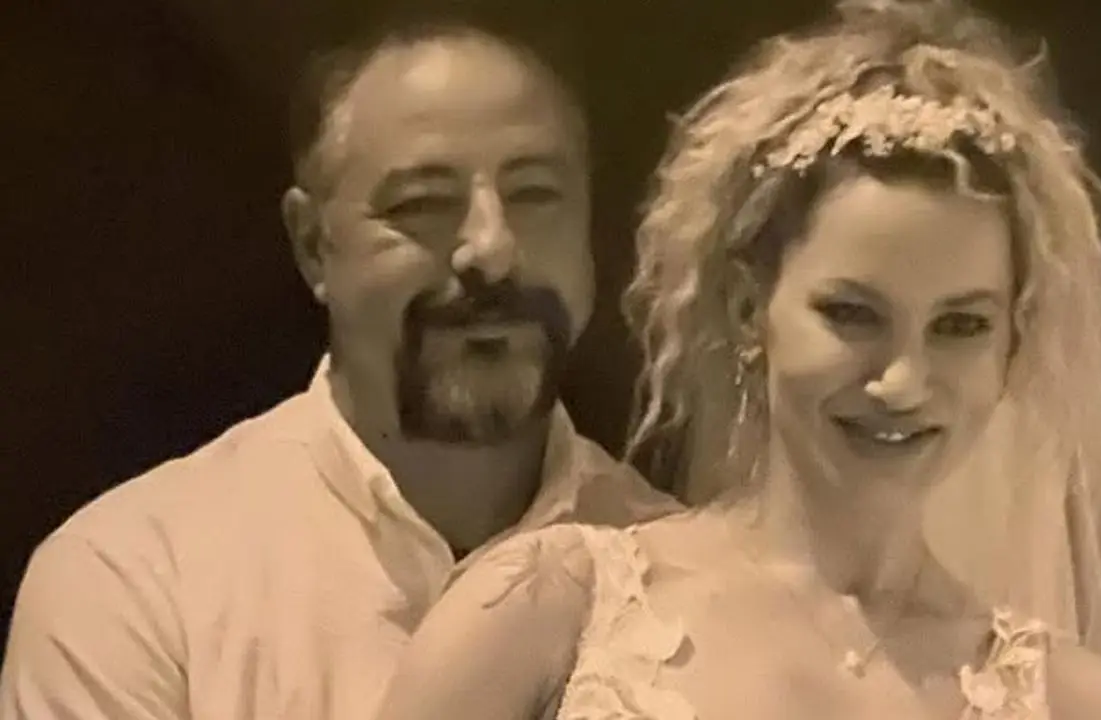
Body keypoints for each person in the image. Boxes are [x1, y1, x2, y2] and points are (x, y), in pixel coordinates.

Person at [371, 0, 1101, 718]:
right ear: (751, 310)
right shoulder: (545, 610)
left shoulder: (1079, 705)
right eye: (852, 314)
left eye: (960, 326)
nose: (904, 381)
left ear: (1012, 341)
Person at [0, 6, 680, 719]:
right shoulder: (137, 584)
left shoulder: (691, 587)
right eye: (422, 204)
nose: (492, 248)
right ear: (313, 245)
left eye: (535, 194)